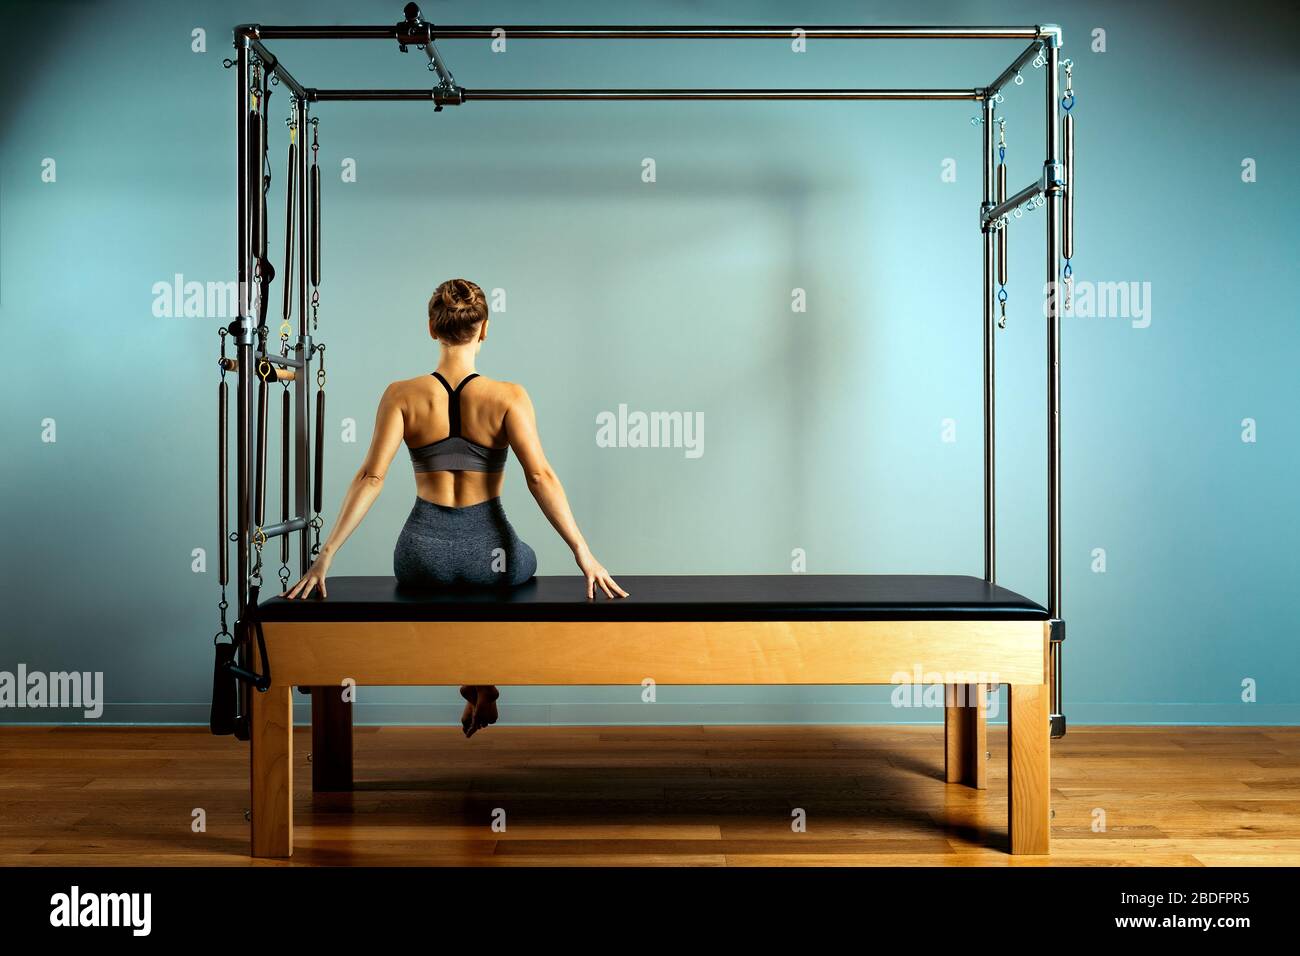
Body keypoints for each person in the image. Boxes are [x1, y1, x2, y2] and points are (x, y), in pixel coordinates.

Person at [284, 278, 627, 735]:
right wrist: (583, 552)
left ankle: (475, 685)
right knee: (509, 573)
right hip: (494, 558)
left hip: (420, 557)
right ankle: (480, 683)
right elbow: (540, 476)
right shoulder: (509, 397)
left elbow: (371, 476)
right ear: (484, 329)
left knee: (453, 592)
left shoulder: (401, 394)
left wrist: (325, 556)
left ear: (432, 328)